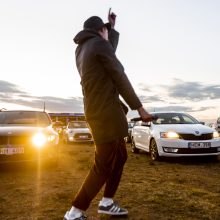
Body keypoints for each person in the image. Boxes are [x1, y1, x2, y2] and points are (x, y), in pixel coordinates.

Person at [64, 9, 154, 220]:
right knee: (103, 164)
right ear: (100, 31)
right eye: (105, 30)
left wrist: (110, 28)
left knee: (120, 156)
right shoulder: (99, 45)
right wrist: (138, 107)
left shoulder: (83, 49)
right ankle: (75, 212)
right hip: (106, 112)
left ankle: (107, 202)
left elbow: (107, 54)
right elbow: (118, 74)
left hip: (97, 110)